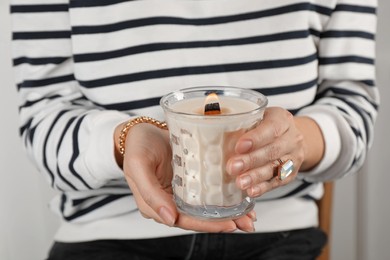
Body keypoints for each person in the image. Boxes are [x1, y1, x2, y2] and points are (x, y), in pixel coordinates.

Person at [10, 0, 379, 259]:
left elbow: (352, 106)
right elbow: (43, 117)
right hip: (107, 236)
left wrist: (296, 143)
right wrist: (125, 141)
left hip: (276, 235)